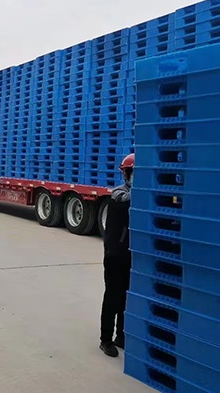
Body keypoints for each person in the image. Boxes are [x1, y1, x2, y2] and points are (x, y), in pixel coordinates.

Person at [99, 153, 134, 358]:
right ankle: (105, 339)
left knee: (126, 297)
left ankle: (121, 335)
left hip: (130, 254)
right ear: (126, 174)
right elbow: (124, 201)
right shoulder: (118, 193)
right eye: (133, 173)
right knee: (113, 296)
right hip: (115, 253)